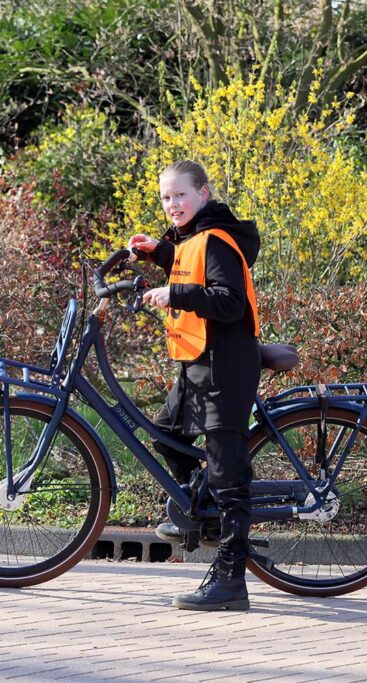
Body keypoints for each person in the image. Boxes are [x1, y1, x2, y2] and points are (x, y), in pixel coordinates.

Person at [128, 160, 261, 611]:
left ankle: (231, 581)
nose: (172, 205)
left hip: (224, 368)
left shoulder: (219, 239)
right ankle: (196, 514)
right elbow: (190, 266)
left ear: (203, 194)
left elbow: (227, 301)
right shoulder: (192, 239)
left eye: (180, 195)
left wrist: (175, 294)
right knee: (165, 436)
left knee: (228, 479)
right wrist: (157, 253)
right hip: (196, 365)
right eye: (166, 198)